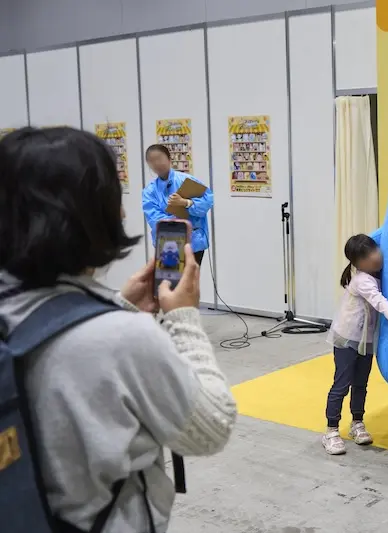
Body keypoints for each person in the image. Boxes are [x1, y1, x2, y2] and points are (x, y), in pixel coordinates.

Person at [0, 127, 236, 532]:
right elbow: (212, 427)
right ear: (91, 215)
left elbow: (206, 202)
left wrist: (117, 307)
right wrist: (183, 319)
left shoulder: (187, 182)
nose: (123, 214)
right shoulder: (122, 337)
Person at [323, 234, 388, 455]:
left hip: (365, 340)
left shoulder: (377, 274)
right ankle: (331, 430)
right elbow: (380, 302)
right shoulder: (363, 280)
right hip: (347, 339)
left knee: (361, 384)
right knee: (341, 385)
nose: (375, 257)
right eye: (366, 256)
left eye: (374, 250)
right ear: (358, 263)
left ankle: (357, 423)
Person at [142, 144, 213, 266]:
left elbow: (207, 201)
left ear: (169, 159)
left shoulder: (186, 180)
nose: (156, 164)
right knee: (169, 277)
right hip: (167, 244)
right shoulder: (149, 191)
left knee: (191, 277)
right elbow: (154, 219)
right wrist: (177, 220)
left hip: (194, 242)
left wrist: (186, 203)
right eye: (152, 161)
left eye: (159, 158)